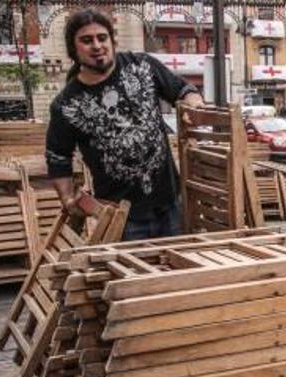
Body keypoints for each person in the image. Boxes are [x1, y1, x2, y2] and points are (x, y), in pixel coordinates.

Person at [45, 9, 204, 241]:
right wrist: (68, 199)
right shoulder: (67, 104)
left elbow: (183, 90)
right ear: (73, 48)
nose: (97, 46)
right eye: (87, 40)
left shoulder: (142, 66)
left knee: (178, 273)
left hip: (171, 205)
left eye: (102, 37)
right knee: (133, 276)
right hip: (121, 217)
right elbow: (57, 158)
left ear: (112, 40)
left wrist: (194, 105)